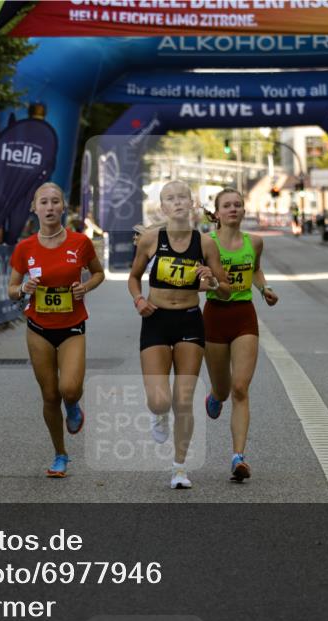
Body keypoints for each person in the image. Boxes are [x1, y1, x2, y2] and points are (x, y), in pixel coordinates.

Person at [128, 180, 230, 490]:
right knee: (160, 401)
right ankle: (158, 415)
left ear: (192, 202)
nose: (177, 202)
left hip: (189, 320)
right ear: (162, 207)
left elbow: (225, 291)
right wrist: (139, 300)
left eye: (182, 197)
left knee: (184, 399)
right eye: (170, 198)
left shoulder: (206, 244)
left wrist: (211, 281)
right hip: (156, 319)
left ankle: (179, 467)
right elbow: (133, 278)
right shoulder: (149, 239)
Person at [7, 183, 105, 478]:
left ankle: (73, 407)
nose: (49, 208)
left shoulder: (80, 243)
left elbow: (99, 273)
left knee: (69, 389)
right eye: (44, 202)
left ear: (63, 207)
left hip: (72, 325)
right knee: (50, 395)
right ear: (34, 208)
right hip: (38, 327)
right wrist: (23, 288)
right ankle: (60, 454)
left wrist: (85, 286)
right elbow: (11, 289)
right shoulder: (25, 248)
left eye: (55, 202)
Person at [202, 189, 278, 483]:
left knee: (241, 388)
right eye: (227, 205)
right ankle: (215, 395)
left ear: (244, 211)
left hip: (244, 315)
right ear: (217, 213)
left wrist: (264, 288)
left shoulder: (254, 242)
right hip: (215, 317)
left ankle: (238, 457)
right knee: (223, 389)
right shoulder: (207, 243)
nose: (233, 209)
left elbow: (256, 270)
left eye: (238, 205)